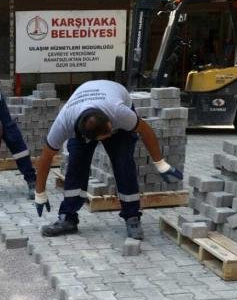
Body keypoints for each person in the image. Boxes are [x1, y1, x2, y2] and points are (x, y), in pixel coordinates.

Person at [32, 80, 183, 240]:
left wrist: (161, 164)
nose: (110, 136)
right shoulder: (64, 123)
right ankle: (67, 218)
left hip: (112, 97)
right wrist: (40, 193)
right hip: (83, 110)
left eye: (111, 130)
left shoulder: (118, 113)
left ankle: (132, 218)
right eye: (106, 136)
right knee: (76, 164)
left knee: (123, 163)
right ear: (88, 138)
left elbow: (145, 130)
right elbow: (46, 157)